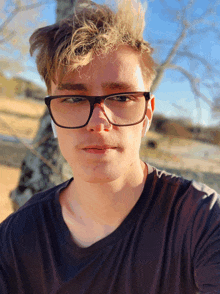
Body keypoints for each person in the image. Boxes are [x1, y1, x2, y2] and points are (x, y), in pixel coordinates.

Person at [0, 0, 220, 293]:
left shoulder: (201, 221)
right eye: (74, 99)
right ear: (52, 115)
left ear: (147, 114)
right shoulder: (18, 237)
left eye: (121, 98)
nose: (98, 122)